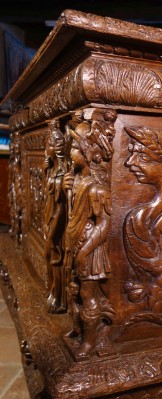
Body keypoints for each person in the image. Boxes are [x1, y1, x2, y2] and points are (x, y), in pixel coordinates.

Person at [63, 115, 115, 357]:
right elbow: (73, 214)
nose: (70, 152)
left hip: (91, 249)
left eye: (75, 147)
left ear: (88, 152)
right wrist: (67, 192)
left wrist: (84, 251)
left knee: (88, 294)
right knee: (73, 289)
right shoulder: (78, 181)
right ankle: (78, 328)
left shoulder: (97, 188)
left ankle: (90, 341)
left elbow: (104, 225)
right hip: (77, 242)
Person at [43, 119, 66, 313]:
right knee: (49, 255)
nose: (48, 148)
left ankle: (58, 296)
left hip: (56, 220)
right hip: (48, 217)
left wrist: (53, 230)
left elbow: (60, 207)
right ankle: (52, 291)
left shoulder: (62, 176)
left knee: (53, 256)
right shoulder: (53, 170)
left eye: (50, 145)